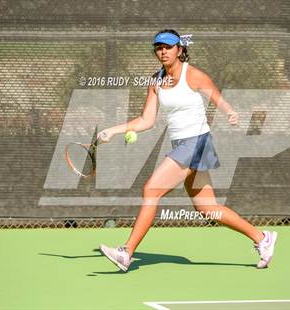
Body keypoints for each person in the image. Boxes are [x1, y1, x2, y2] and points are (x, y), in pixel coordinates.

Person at [97, 29, 277, 272]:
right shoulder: (156, 81)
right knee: (207, 209)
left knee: (151, 189)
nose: (163, 51)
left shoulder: (192, 75)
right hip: (182, 145)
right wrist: (114, 130)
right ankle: (262, 238)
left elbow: (217, 98)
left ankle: (126, 252)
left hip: (196, 143)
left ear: (179, 50)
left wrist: (230, 113)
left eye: (168, 47)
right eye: (159, 47)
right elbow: (146, 120)